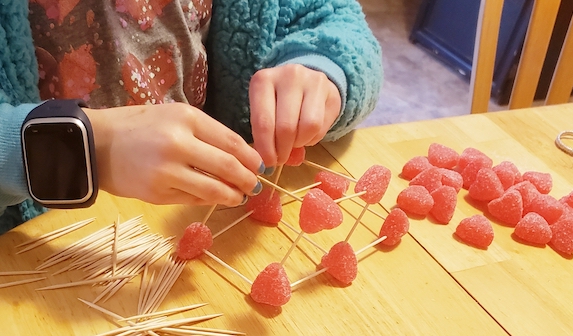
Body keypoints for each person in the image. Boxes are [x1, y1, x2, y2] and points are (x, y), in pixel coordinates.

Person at [0, 0, 383, 234]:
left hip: (188, 224)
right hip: (35, 252)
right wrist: (86, 150)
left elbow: (331, 19)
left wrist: (323, 67)